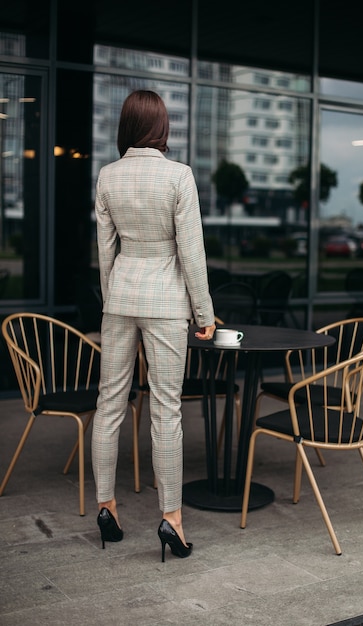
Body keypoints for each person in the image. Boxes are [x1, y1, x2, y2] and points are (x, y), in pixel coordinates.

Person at [91, 89, 216, 561]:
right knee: (166, 410)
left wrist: (112, 297)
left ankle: (107, 509)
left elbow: (106, 250)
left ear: (126, 126)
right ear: (161, 126)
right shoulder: (178, 176)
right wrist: (203, 315)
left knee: (109, 405)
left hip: (120, 298)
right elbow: (192, 254)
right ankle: (171, 520)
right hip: (166, 302)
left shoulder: (108, 176)